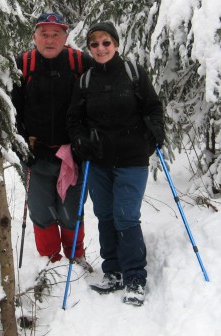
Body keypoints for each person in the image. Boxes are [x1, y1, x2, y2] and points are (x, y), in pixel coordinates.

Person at [67, 21, 165, 306]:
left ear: (116, 44)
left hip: (132, 159)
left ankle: (135, 276)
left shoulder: (134, 74)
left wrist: (155, 132)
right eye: (94, 44)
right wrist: (80, 141)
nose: (100, 48)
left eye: (106, 43)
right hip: (98, 161)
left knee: (125, 215)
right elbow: (74, 119)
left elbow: (153, 107)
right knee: (106, 215)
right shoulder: (85, 81)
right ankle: (113, 271)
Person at [12, 12, 94, 270]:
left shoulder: (80, 63)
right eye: (44, 34)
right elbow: (10, 110)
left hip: (73, 155)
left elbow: (102, 96)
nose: (50, 40)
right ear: (34, 36)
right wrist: (22, 145)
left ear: (65, 37)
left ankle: (75, 257)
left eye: (56, 34)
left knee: (72, 209)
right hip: (36, 154)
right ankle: (49, 260)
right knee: (40, 210)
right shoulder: (22, 65)